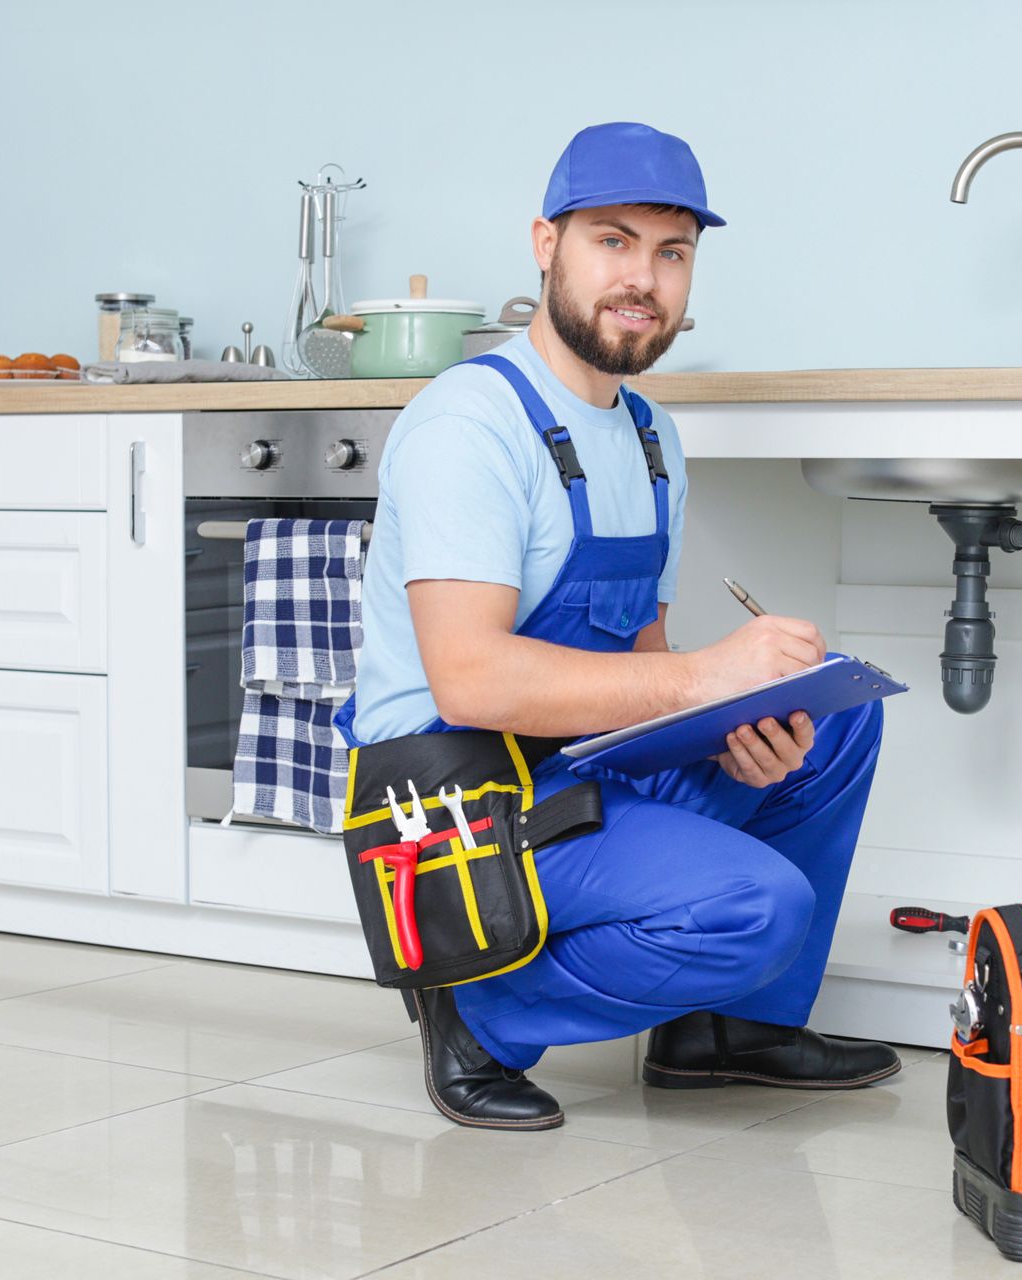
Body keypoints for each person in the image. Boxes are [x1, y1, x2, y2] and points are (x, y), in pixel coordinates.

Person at [336, 122, 896, 1131]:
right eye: (614, 240)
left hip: (579, 763)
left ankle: (725, 1029)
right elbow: (468, 677)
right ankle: (480, 1008)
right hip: (460, 798)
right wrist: (706, 679)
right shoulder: (470, 425)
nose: (643, 277)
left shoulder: (648, 434)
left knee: (837, 713)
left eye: (671, 252)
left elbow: (640, 662)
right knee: (756, 903)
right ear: (546, 243)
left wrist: (745, 728)